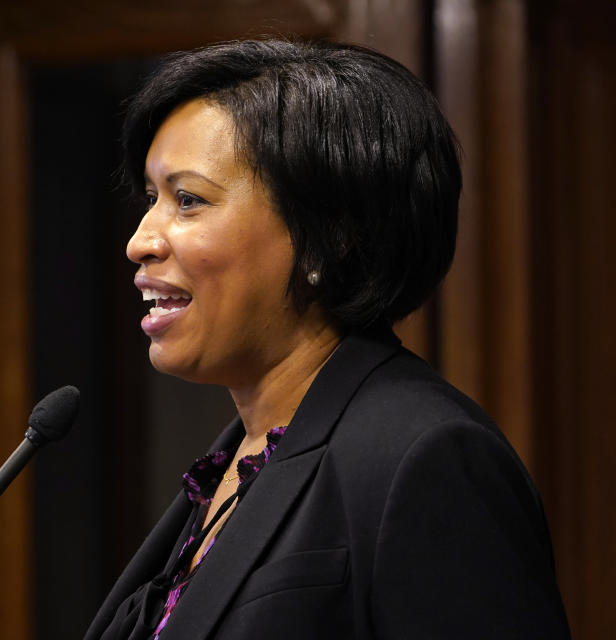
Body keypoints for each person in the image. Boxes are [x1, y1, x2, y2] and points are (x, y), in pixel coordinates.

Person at [83, 39, 570, 639]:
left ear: (327, 236)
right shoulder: (241, 454)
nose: (140, 240)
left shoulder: (427, 456)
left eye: (188, 200)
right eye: (150, 199)